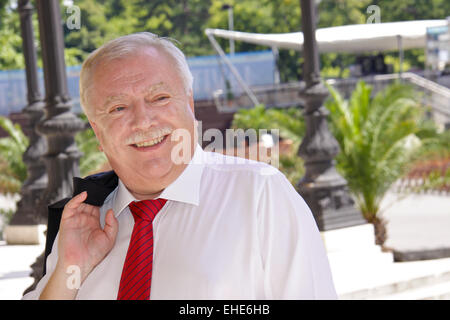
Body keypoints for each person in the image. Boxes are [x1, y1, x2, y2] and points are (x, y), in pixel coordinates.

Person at [23, 32, 337, 300]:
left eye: (159, 97)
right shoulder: (84, 220)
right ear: (97, 131)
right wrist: (69, 269)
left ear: (189, 103)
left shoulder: (259, 194)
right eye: (118, 108)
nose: (143, 120)